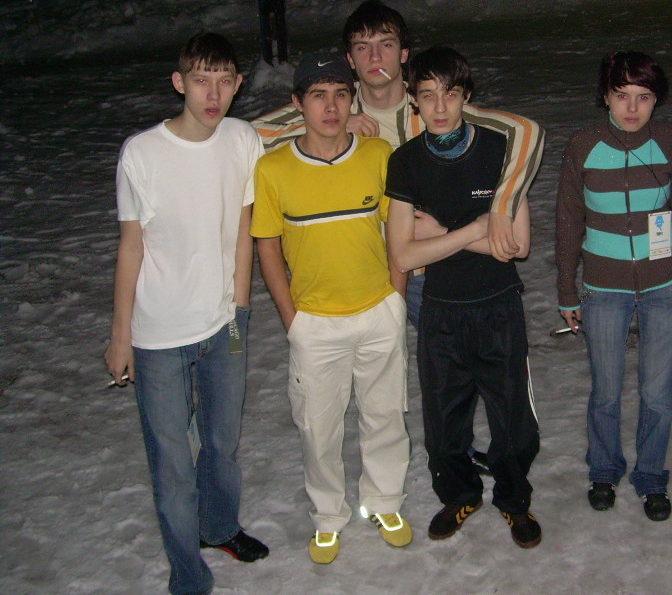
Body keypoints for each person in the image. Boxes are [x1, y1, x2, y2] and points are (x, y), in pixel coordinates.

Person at [251, 0, 544, 328]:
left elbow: (524, 130)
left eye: (386, 45)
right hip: (366, 278)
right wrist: (331, 125)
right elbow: (251, 135)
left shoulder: (430, 103)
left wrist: (502, 207)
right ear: (350, 59)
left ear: (404, 54)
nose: (375, 57)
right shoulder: (335, 101)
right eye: (363, 47)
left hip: (432, 267)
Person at [104, 32, 268, 595]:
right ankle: (188, 577)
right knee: (173, 465)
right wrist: (120, 335)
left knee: (222, 444)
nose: (213, 94)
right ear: (180, 83)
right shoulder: (142, 153)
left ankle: (218, 527)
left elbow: (244, 226)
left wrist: (240, 306)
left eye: (224, 81)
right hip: (157, 335)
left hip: (225, 325)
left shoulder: (242, 139)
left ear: (238, 84)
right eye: (201, 81)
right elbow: (131, 246)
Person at [251, 54, 412, 563]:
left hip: (378, 311)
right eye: (318, 96)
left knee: (386, 416)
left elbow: (397, 229)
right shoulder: (273, 169)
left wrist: (396, 297)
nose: (331, 107)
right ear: (297, 104)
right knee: (318, 429)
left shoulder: (378, 154)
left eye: (341, 95)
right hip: (314, 322)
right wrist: (291, 318)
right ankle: (327, 516)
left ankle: (385, 502)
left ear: (352, 101)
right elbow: (267, 245)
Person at [384, 47, 542, 549]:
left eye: (450, 94)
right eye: (428, 95)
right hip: (441, 309)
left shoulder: (499, 151)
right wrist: (477, 229)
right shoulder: (405, 163)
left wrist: (440, 233)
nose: (440, 107)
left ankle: (515, 501)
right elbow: (403, 255)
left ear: (466, 97)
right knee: (443, 421)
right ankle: (459, 495)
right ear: (414, 100)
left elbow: (517, 246)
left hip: (498, 305)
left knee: (512, 419)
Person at [554, 51, 672, 522]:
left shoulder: (668, 139)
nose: (632, 108)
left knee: (657, 394)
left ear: (656, 100)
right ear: (605, 96)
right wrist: (567, 290)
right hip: (605, 288)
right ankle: (604, 469)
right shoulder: (584, 144)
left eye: (644, 97)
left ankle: (651, 476)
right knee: (606, 392)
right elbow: (568, 222)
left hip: (664, 287)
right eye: (621, 95)